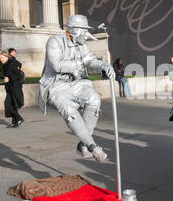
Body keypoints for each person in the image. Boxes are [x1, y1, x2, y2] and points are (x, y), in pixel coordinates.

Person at [38, 14, 116, 163]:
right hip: (57, 84)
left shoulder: (82, 45)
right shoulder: (54, 41)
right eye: (83, 30)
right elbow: (57, 65)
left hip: (78, 82)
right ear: (74, 30)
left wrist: (104, 65)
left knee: (94, 100)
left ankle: (82, 144)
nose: (86, 34)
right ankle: (92, 146)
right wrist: (81, 62)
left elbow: (91, 60)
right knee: (69, 110)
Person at [0, 50, 24, 128]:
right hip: (10, 88)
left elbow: (19, 75)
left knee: (8, 104)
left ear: (6, 56)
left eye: (1, 58)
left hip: (15, 88)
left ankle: (19, 119)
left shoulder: (11, 64)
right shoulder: (5, 65)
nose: (0, 60)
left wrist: (9, 79)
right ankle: (15, 122)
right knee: (11, 105)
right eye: (0, 58)